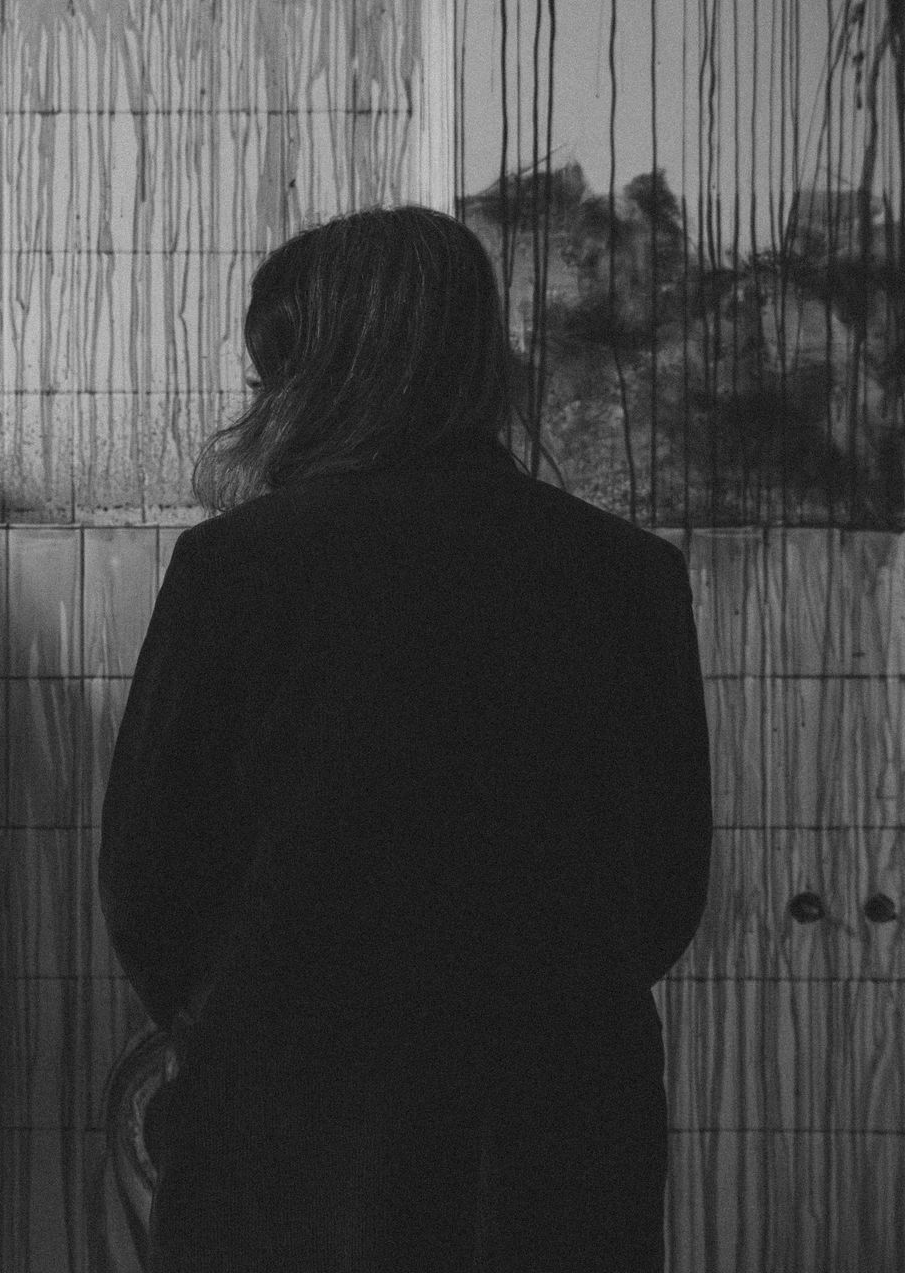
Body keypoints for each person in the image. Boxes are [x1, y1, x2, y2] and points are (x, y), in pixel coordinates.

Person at [98, 206, 710, 1272]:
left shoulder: (237, 569)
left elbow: (148, 881)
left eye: (272, 375)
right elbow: (665, 885)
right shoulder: (626, 577)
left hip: (292, 1132)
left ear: (324, 378)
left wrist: (249, 1022)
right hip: (552, 1137)